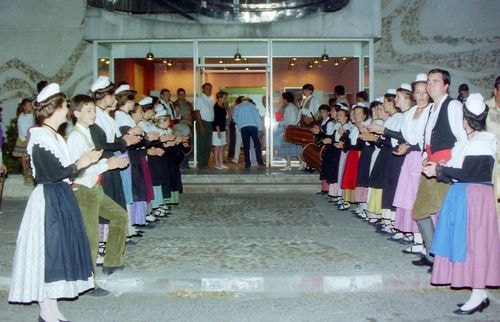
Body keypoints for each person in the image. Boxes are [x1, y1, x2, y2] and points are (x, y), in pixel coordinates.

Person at [9, 83, 101, 322]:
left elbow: (67, 173)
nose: (67, 111)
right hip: (48, 198)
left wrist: (84, 163)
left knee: (59, 251)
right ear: (54, 109)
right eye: (64, 106)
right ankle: (45, 309)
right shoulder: (39, 137)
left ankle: (51, 307)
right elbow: (50, 173)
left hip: (61, 196)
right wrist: (80, 163)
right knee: (48, 252)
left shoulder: (55, 137)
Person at [423, 93, 499, 315]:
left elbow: (468, 173)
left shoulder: (484, 140)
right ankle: (479, 294)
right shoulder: (468, 142)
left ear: (465, 119)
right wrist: (440, 168)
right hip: (462, 195)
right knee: (464, 244)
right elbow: (457, 170)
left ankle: (478, 293)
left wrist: (439, 169)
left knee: (474, 245)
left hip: (474, 197)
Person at [68, 94, 129, 282]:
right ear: (77, 113)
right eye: (88, 110)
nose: (93, 114)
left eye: (94, 110)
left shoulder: (87, 132)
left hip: (95, 187)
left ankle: (112, 260)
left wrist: (107, 161)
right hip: (84, 189)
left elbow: (92, 160)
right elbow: (79, 168)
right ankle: (88, 282)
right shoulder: (75, 137)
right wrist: (107, 165)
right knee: (91, 237)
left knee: (120, 217)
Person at [411, 69, 467, 272]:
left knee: (441, 214)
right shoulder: (433, 108)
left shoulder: (453, 105)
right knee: (421, 211)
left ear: (446, 86)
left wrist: (447, 164)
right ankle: (433, 254)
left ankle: (441, 259)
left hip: (443, 168)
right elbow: (429, 140)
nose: (430, 85)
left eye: (435, 81)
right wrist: (426, 158)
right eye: (428, 81)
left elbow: (462, 138)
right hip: (431, 165)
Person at [232, 97, 264, 168]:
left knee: (246, 146)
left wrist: (240, 124)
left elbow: (234, 117)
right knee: (257, 145)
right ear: (248, 100)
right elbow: (257, 117)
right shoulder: (251, 106)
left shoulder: (237, 107)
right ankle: (259, 161)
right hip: (253, 126)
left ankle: (247, 163)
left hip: (243, 127)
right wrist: (260, 128)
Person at [13, 98, 35, 185]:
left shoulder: (33, 115)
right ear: (24, 107)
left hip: (32, 138)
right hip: (25, 139)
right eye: (29, 105)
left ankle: (32, 175)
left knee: (32, 157)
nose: (31, 107)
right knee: (24, 158)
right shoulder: (21, 117)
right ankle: (26, 175)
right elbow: (21, 130)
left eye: (31, 105)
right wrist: (24, 140)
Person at [276, 91, 301, 170]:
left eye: (283, 99)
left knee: (291, 147)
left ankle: (299, 162)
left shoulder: (289, 108)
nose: (282, 101)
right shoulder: (292, 107)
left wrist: (281, 123)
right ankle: (289, 164)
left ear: (285, 99)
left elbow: (289, 121)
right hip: (291, 129)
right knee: (290, 147)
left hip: (290, 130)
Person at [195, 83, 214, 169]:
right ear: (203, 89)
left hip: (209, 123)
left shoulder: (209, 99)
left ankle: (205, 163)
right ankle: (201, 163)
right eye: (207, 88)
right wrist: (201, 125)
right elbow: (197, 112)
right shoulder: (200, 99)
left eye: (210, 89)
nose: (209, 90)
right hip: (202, 123)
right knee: (201, 144)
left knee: (208, 144)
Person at [212, 91, 228, 169]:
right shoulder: (216, 107)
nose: (226, 99)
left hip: (222, 129)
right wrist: (218, 131)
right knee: (217, 147)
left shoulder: (223, 106)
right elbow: (216, 120)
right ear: (220, 98)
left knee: (222, 146)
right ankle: (217, 163)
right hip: (216, 130)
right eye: (224, 98)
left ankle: (221, 163)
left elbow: (223, 118)